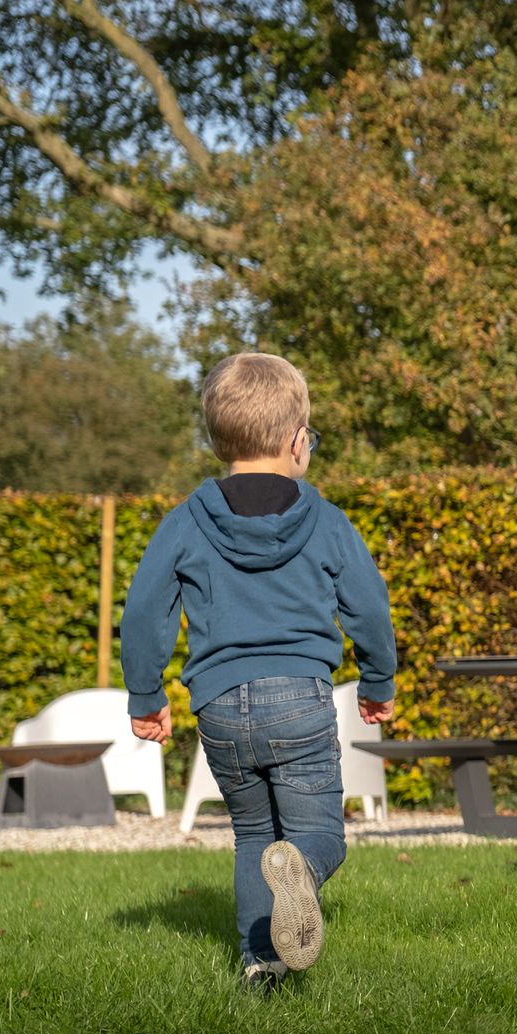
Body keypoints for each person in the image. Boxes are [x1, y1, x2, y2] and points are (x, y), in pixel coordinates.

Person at [121, 352, 396, 992]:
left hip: (217, 707)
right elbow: (370, 608)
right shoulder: (324, 520)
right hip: (298, 698)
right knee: (318, 835)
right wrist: (378, 682)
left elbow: (144, 610)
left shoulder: (187, 519)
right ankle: (301, 867)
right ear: (297, 441)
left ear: (220, 442)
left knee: (251, 835)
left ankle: (261, 966)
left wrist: (145, 694)